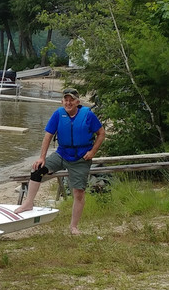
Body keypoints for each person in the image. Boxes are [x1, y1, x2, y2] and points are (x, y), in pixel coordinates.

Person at [16, 87, 106, 234]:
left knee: (78, 192)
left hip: (80, 158)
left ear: (78, 102)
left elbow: (101, 133)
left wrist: (92, 152)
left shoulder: (88, 115)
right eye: (66, 100)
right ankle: (28, 203)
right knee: (37, 170)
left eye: (72, 100)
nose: (68, 103)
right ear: (62, 101)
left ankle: (73, 227)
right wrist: (42, 157)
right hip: (62, 154)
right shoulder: (58, 114)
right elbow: (48, 136)